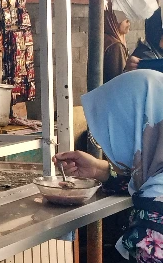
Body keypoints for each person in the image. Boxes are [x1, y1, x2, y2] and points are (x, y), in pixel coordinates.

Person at [54, 70, 163, 262]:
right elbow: (138, 182)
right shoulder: (156, 179)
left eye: (109, 135)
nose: (104, 146)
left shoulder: (153, 221)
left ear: (131, 131)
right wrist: (99, 170)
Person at [104, 0, 130, 83]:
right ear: (113, 19)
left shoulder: (105, 39)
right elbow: (120, 81)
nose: (128, 21)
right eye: (123, 17)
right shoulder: (115, 46)